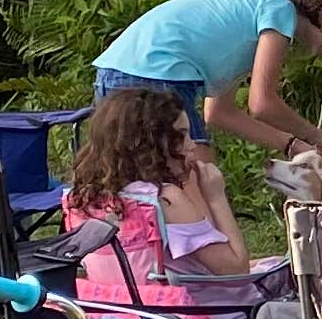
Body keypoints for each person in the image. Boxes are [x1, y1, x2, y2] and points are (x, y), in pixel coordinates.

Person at [91, 0, 322, 166]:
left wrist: (292, 146)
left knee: (139, 181)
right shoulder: (280, 13)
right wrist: (317, 135)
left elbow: (220, 113)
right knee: (199, 178)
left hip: (117, 72)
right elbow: (262, 104)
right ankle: (220, 252)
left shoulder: (251, 20)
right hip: (159, 75)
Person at [60, 82, 257, 300]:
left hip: (127, 316)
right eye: (181, 135)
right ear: (151, 142)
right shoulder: (165, 199)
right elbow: (236, 271)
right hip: (207, 318)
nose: (192, 145)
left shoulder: (82, 199)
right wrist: (216, 197)